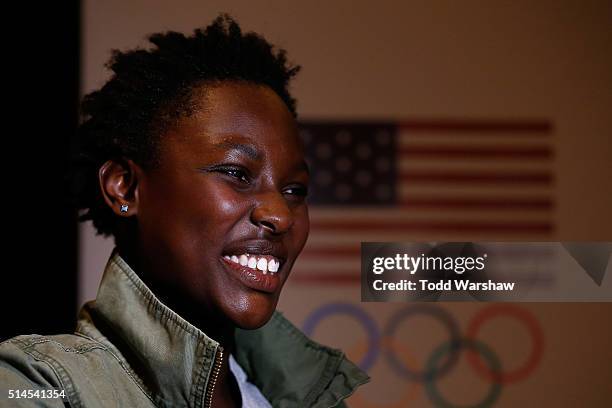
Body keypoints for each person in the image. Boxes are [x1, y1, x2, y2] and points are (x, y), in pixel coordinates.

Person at [0, 14, 369, 407]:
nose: (281, 214)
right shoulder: (36, 384)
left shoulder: (311, 398)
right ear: (124, 186)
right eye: (236, 173)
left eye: (295, 190)